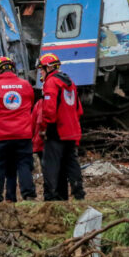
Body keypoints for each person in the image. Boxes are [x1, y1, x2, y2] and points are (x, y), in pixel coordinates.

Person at [0, 56, 36, 203]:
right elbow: (31, 102)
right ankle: (29, 195)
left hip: (0, 136)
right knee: (24, 164)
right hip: (22, 134)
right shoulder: (25, 85)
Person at [36, 53, 85, 200]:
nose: (41, 72)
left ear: (49, 67)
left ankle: (51, 197)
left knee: (51, 165)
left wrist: (44, 128)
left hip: (56, 130)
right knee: (71, 163)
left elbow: (49, 110)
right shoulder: (70, 82)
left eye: (42, 69)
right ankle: (78, 194)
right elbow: (79, 110)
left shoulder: (51, 83)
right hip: (72, 131)